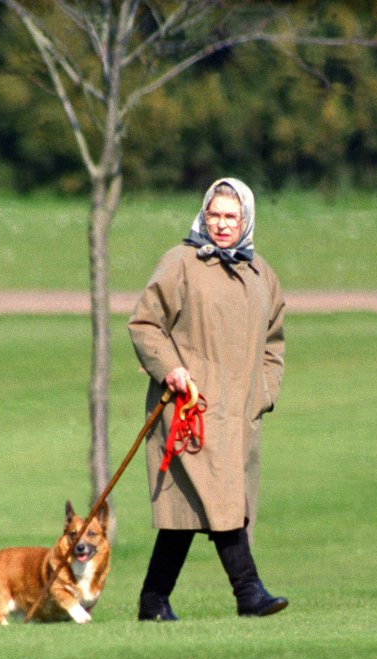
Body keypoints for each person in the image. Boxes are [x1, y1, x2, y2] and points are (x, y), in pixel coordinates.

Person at [128, 177, 287, 620]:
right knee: (221, 500)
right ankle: (249, 593)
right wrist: (170, 368)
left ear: (246, 219)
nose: (221, 224)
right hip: (188, 411)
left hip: (240, 416)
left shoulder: (262, 275)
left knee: (189, 512)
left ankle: (153, 601)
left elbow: (274, 342)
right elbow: (145, 324)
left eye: (231, 216)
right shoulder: (179, 262)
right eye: (214, 214)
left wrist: (264, 393)